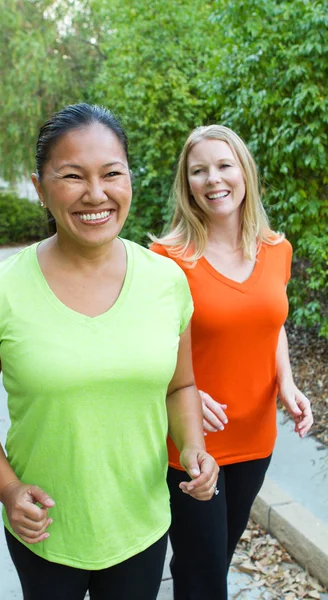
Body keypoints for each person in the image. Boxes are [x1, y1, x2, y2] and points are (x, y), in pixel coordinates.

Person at [0, 104, 219, 600]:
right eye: (72, 176)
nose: (96, 194)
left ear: (129, 178)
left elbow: (181, 385)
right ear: (40, 186)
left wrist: (194, 447)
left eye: (112, 174)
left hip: (140, 523)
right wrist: (8, 490)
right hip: (46, 531)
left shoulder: (166, 283)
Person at [150, 124, 313, 600]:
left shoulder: (276, 249)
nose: (213, 179)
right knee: (203, 575)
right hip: (193, 445)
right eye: (198, 171)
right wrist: (184, 392)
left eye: (224, 165)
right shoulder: (166, 260)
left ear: (245, 172)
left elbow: (270, 323)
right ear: (187, 184)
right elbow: (145, 347)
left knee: (213, 557)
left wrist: (286, 382)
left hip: (256, 436)